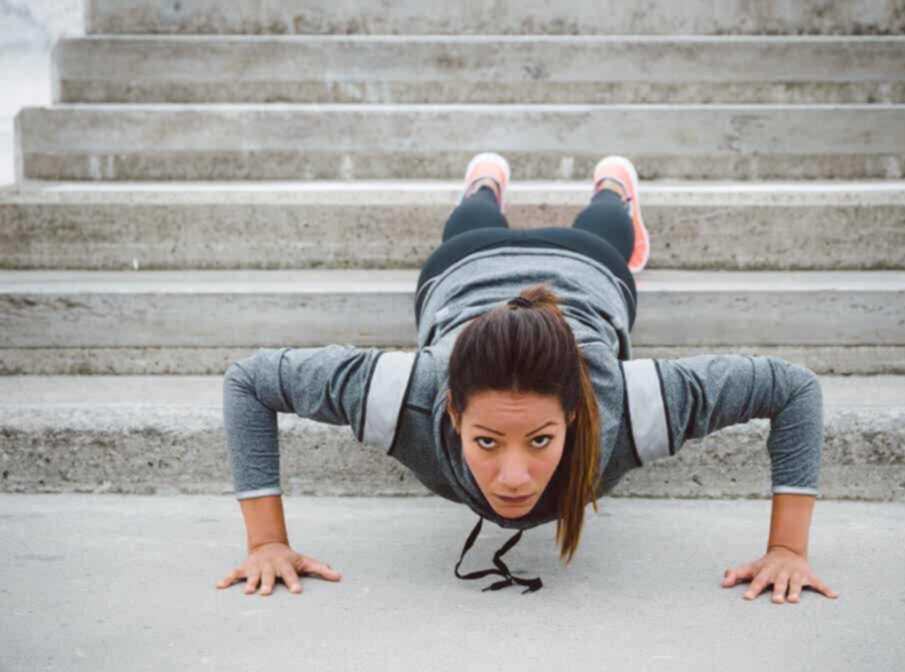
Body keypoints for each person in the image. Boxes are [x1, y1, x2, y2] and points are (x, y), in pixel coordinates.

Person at [217, 153, 839, 602]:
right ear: (452, 413)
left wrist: (787, 549)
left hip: (584, 267)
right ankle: (483, 184)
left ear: (574, 413)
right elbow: (249, 381)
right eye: (488, 441)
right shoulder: (404, 394)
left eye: (539, 440)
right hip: (464, 268)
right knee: (470, 227)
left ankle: (614, 188)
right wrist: (266, 541)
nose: (514, 479)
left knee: (604, 229)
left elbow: (793, 389)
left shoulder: (631, 403)